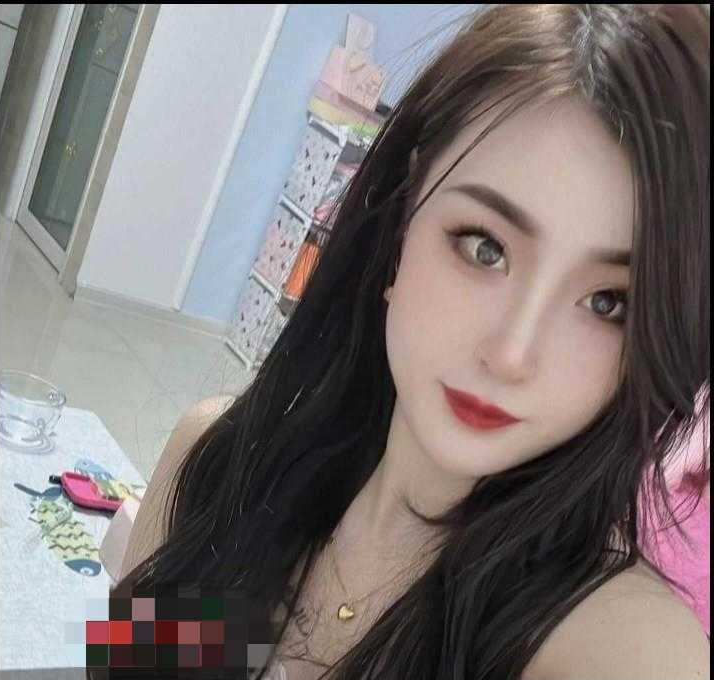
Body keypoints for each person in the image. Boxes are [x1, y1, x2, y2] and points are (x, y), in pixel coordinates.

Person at [97, 4, 710, 679]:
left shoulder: (613, 642)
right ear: (401, 222)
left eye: (607, 302)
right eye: (485, 248)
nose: (512, 355)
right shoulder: (218, 465)